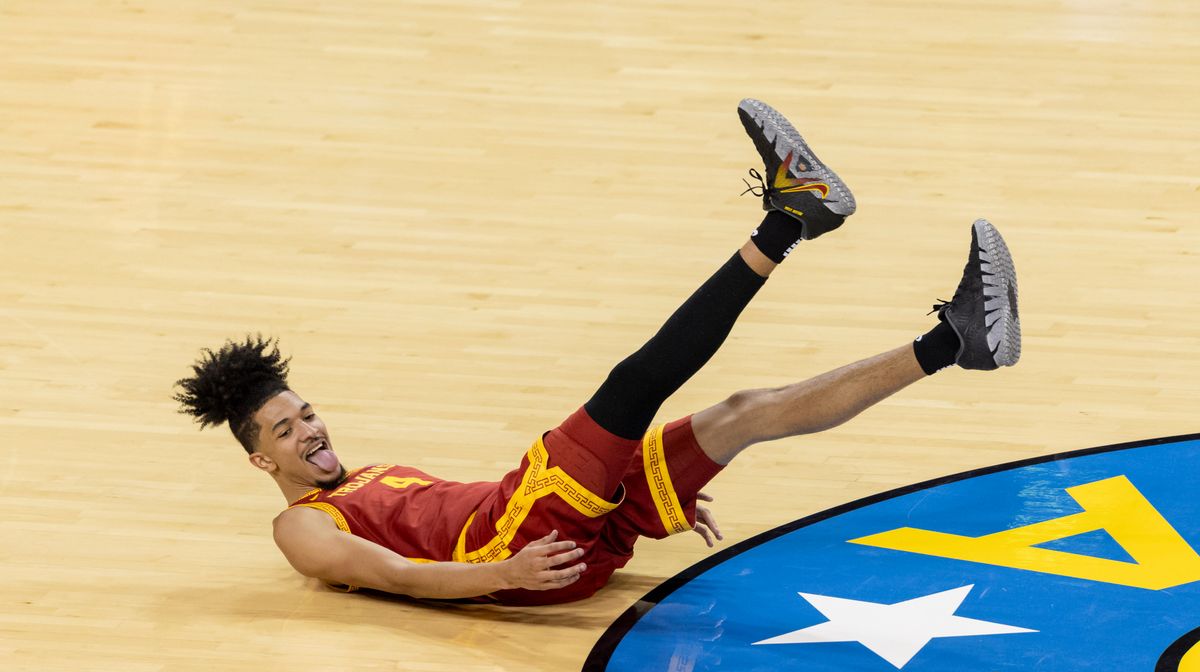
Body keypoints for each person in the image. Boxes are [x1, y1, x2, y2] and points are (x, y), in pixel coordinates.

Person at [174, 98, 1020, 605]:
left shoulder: (358, 479)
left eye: (306, 413)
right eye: (286, 432)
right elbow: (401, 577)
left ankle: (955, 340)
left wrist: (626, 502)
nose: (310, 431)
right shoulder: (299, 528)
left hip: (556, 527)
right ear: (258, 461)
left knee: (744, 412)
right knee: (635, 383)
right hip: (524, 538)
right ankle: (789, 218)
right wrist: (508, 574)